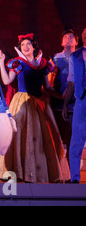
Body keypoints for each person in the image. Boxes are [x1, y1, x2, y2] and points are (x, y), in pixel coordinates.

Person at [0, 33, 69, 183]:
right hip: (22, 102)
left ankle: (37, 172)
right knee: (20, 137)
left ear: (33, 46)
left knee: (39, 139)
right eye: (22, 45)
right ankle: (16, 171)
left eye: (28, 44)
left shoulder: (43, 64)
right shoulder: (17, 63)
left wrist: (62, 96)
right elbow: (6, 80)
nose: (25, 47)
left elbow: (47, 87)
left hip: (38, 104)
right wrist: (1, 62)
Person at [49, 29, 78, 163]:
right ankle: (57, 171)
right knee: (56, 139)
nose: (69, 38)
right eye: (66, 37)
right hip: (58, 104)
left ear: (76, 41)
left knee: (73, 139)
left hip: (77, 104)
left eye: (71, 37)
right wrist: (60, 96)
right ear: (61, 42)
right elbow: (48, 83)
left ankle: (72, 172)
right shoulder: (55, 59)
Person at [63, 27, 86, 183]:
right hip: (81, 99)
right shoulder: (75, 56)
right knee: (76, 139)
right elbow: (71, 81)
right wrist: (66, 104)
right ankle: (74, 177)